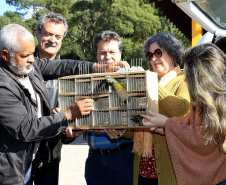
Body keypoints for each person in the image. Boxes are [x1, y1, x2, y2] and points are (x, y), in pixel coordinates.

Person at [0, 24, 129, 185]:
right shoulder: (3, 85)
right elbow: (26, 128)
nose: (32, 59)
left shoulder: (29, 66)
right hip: (12, 169)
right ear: (5, 55)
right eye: (26, 55)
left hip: (119, 160)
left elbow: (63, 66)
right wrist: (68, 115)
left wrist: (96, 67)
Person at [141, 43, 226, 185]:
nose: (186, 79)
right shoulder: (201, 100)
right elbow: (189, 122)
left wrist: (167, 124)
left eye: (189, 75)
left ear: (201, 77)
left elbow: (206, 136)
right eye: (150, 55)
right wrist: (166, 127)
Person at [133, 32, 190, 185]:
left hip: (168, 171)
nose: (153, 59)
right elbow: (136, 126)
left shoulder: (184, 80)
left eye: (158, 53)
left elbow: (181, 109)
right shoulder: (145, 83)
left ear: (172, 53)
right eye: (149, 55)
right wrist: (121, 130)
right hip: (142, 170)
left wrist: (150, 83)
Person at [32, 12, 82, 185]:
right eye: (48, 34)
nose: (52, 40)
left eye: (57, 36)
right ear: (37, 32)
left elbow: (70, 120)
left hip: (50, 154)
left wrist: (71, 134)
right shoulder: (20, 64)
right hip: (18, 152)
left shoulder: (69, 74)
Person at [83, 30, 134, 185]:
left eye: (112, 52)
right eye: (102, 52)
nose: (108, 57)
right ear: (97, 55)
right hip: (94, 159)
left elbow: (130, 103)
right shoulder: (86, 79)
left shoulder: (131, 76)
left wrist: (114, 76)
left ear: (120, 53)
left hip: (122, 158)